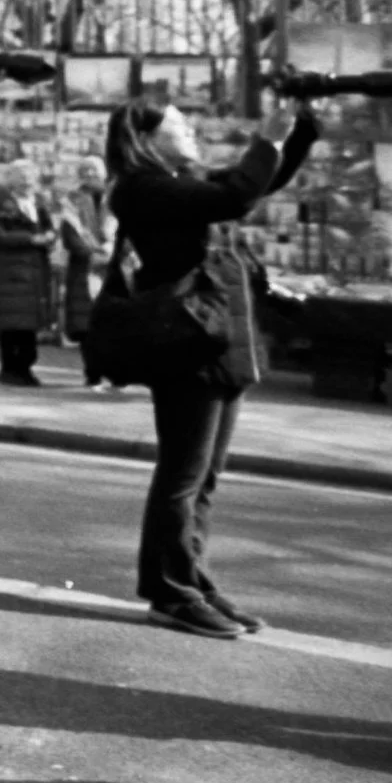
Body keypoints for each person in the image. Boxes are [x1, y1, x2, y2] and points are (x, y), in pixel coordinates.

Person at [104, 96, 314, 639]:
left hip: (218, 337)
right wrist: (268, 137)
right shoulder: (142, 187)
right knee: (183, 476)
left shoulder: (178, 182)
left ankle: (192, 579)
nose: (190, 129)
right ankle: (170, 593)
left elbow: (253, 182)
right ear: (146, 138)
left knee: (205, 479)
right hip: (185, 342)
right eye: (177, 123)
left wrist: (300, 129)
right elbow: (238, 194)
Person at [0, 174, 59, 386]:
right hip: (11, 273)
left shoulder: (37, 203)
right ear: (12, 184)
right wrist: (30, 239)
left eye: (30, 180)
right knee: (12, 324)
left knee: (28, 324)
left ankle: (24, 368)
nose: (27, 184)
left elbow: (49, 227)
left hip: (34, 273)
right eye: (22, 180)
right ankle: (10, 369)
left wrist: (51, 236)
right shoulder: (1, 204)